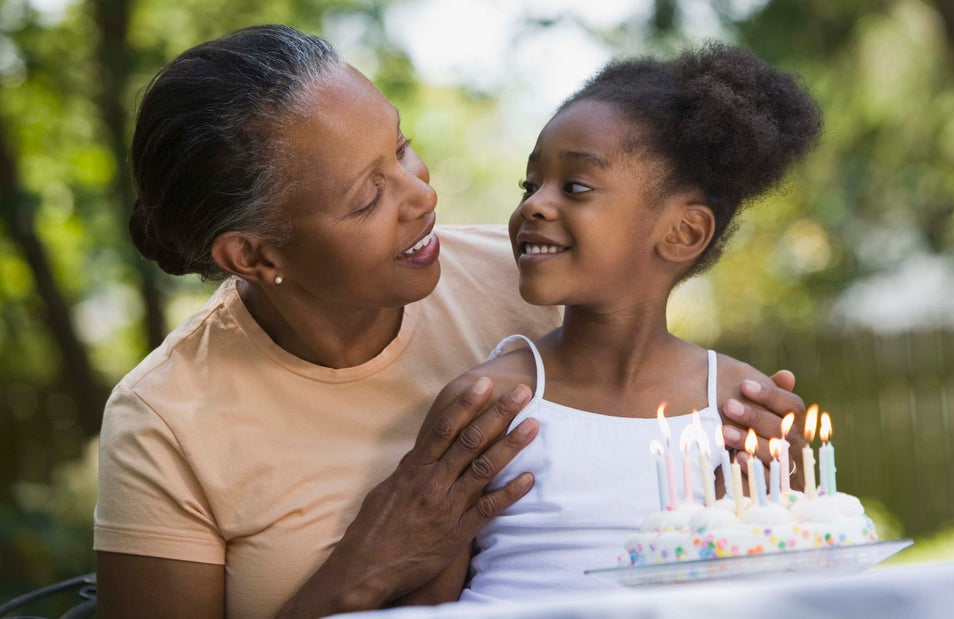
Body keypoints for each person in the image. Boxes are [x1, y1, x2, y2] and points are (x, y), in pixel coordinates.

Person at [94, 25, 804, 618]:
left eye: (399, 148)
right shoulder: (166, 418)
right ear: (253, 253)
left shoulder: (535, 275)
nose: (419, 194)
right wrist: (360, 573)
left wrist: (753, 482)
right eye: (368, 196)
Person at [409, 42, 821, 603]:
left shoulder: (739, 408)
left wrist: (786, 491)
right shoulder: (490, 401)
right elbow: (428, 605)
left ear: (683, 233)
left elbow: (783, 593)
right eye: (530, 186)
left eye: (575, 186)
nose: (535, 205)